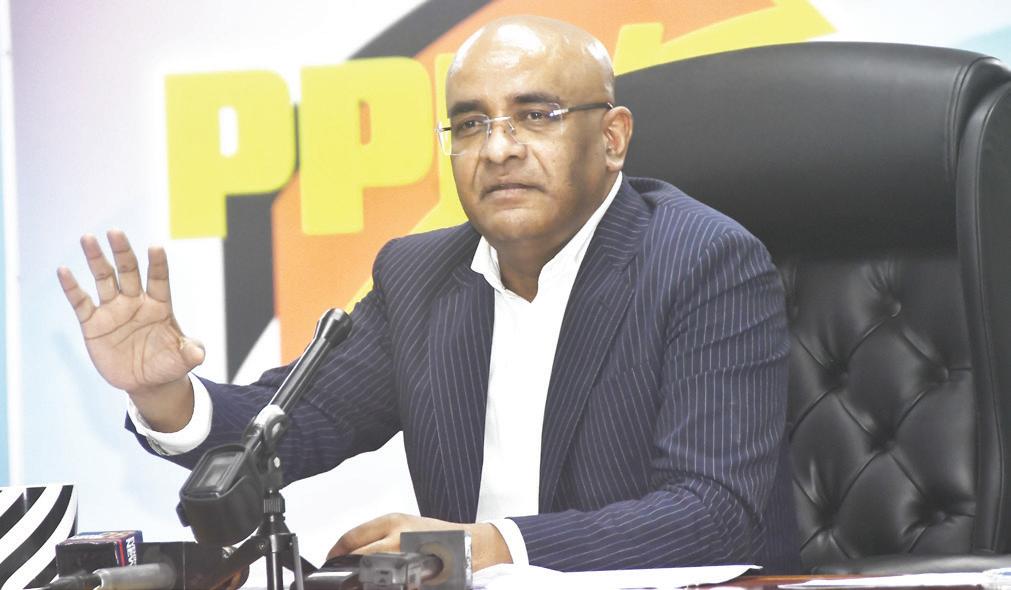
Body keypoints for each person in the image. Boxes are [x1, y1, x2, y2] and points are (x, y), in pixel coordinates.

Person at [58, 16, 799, 573]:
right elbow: (287, 431)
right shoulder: (419, 277)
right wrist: (165, 395)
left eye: (535, 115)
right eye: (471, 124)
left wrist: (489, 546)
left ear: (612, 138)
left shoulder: (703, 261)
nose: (498, 148)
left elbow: (714, 514)